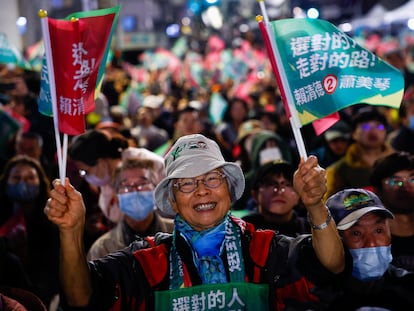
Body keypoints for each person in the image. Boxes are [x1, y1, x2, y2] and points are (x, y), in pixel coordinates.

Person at [45, 133, 345, 310]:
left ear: (229, 189)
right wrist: (71, 232)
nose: (201, 189)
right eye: (186, 183)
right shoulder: (146, 262)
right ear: (172, 201)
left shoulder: (265, 249)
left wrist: (315, 205)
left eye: (212, 178)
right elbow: (81, 298)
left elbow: (330, 265)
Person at [326, 188, 414, 310]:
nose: (372, 243)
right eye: (356, 233)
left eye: (379, 231)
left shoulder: (408, 287)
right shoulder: (315, 294)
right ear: (334, 239)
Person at [87, 147, 174, 260]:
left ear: (156, 189)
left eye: (142, 184)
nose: (135, 191)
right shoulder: (103, 249)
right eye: (126, 186)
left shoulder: (179, 233)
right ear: (117, 196)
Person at [0, 155, 60, 308]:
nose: (23, 183)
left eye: (30, 178)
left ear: (40, 182)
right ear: (6, 182)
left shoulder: (52, 222)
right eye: (16, 177)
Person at [325, 107, 394, 199]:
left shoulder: (399, 162)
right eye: (365, 127)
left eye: (379, 126)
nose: (373, 131)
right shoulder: (339, 170)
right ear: (354, 134)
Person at [68, 129, 130, 224]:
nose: (85, 177)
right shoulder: (108, 183)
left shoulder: (142, 168)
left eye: (85, 171)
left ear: (100, 161)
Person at [370, 151, 414, 271]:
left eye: (412, 180)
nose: (405, 187)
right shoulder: (369, 235)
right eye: (395, 181)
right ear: (378, 189)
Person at [242, 160, 310, 235]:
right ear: (255, 194)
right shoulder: (241, 230)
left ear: (298, 196)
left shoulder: (311, 230)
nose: (279, 191)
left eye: (288, 184)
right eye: (270, 184)